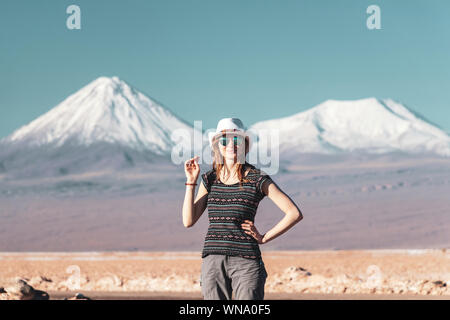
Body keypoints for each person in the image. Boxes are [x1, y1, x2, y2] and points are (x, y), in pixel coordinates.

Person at [182, 117, 303, 300]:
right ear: (217, 146)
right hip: (213, 261)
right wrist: (191, 182)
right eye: (224, 140)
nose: (231, 144)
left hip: (246, 262)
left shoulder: (256, 178)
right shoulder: (209, 179)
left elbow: (294, 213)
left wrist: (263, 238)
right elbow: (188, 221)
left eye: (236, 139)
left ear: (245, 145)